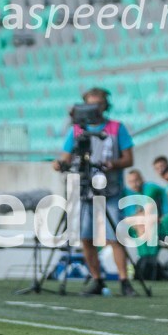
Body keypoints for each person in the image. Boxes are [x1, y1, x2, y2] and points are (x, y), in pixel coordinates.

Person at [53, 87, 137, 296]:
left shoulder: (117, 128)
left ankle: (124, 280)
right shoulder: (77, 131)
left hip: (111, 189)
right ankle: (97, 279)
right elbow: (66, 155)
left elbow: (129, 159)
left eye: (98, 104)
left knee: (115, 236)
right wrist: (61, 164)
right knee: (86, 236)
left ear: (105, 105)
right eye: (90, 104)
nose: (94, 109)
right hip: (85, 190)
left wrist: (112, 163)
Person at [123, 169, 166, 259]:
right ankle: (144, 259)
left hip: (166, 218)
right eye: (131, 182)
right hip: (152, 220)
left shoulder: (149, 187)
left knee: (145, 225)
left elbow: (148, 211)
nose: (134, 184)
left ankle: (149, 259)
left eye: (136, 180)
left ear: (142, 179)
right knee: (137, 226)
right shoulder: (135, 194)